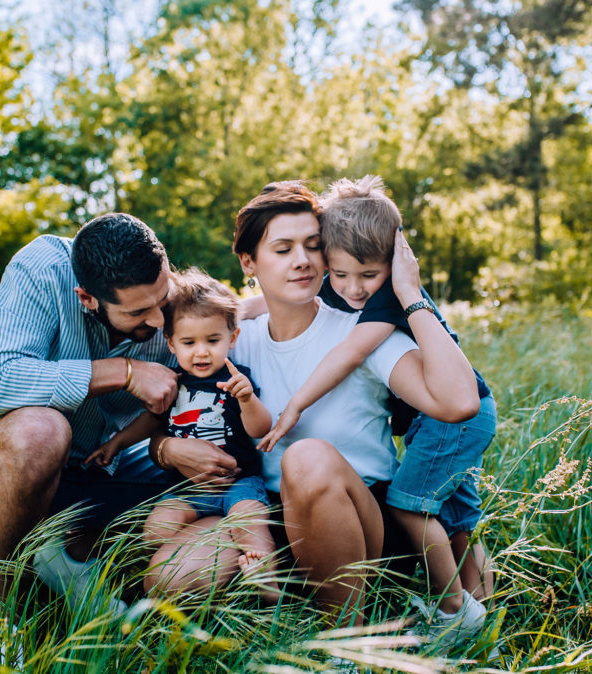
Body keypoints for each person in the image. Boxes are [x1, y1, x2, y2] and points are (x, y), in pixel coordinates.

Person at [147, 181, 481, 625]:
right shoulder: (225, 342)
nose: (302, 260)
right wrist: (165, 448)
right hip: (268, 515)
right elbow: (166, 413)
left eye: (312, 246)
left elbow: (460, 403)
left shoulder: (363, 333)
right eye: (283, 249)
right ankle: (290, 601)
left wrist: (411, 294)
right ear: (248, 262)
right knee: (169, 577)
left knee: (305, 458)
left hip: (362, 522)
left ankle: (348, 637)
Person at [254, 176, 496, 647]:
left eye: (367, 275)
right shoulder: (345, 284)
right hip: (436, 418)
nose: (353, 288)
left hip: (453, 418)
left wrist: (295, 405)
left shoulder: (385, 300)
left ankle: (454, 611)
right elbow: (271, 299)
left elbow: (349, 352)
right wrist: (236, 311)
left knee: (411, 505)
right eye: (339, 274)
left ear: (394, 260)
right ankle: (482, 612)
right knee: (459, 519)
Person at [0, 213, 185, 665]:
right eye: (137, 313)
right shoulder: (43, 268)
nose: (158, 319)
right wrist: (125, 372)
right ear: (86, 297)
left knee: (208, 465)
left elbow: (225, 316)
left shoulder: (159, 294)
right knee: (42, 431)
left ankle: (71, 561)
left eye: (162, 299)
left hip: (95, 468)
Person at [84, 269, 278, 597]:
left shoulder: (236, 379)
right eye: (189, 343)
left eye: (212, 341)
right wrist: (116, 443)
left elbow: (259, 429)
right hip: (187, 487)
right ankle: (169, 565)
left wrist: (247, 399)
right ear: (171, 343)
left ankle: (265, 580)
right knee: (156, 528)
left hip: (239, 482)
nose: (201, 352)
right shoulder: (171, 382)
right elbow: (151, 421)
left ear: (232, 338)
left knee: (249, 520)